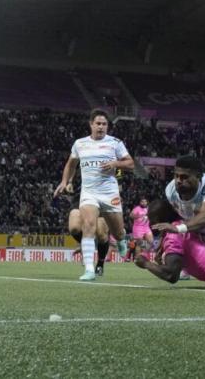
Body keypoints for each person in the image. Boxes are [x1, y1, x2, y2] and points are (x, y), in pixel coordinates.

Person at [54, 109, 134, 281]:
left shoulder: (115, 143)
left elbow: (130, 164)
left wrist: (115, 163)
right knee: (89, 226)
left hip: (110, 193)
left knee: (118, 232)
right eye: (98, 123)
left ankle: (121, 239)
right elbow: (71, 164)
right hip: (89, 193)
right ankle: (89, 270)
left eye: (104, 124)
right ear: (91, 124)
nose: (101, 127)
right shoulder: (80, 143)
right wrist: (64, 181)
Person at [64, 184, 112, 277]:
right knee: (74, 228)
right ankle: (86, 244)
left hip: (100, 201)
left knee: (102, 235)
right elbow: (70, 169)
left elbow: (118, 175)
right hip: (81, 199)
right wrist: (67, 182)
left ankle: (100, 264)